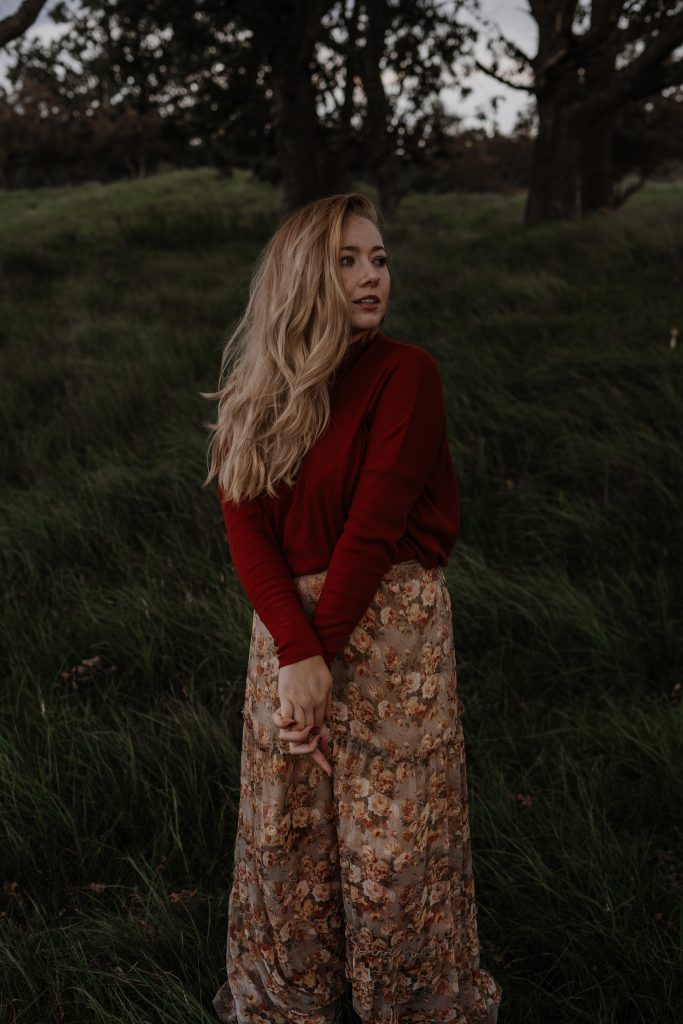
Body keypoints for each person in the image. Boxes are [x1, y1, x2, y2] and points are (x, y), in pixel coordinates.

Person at [203, 192, 502, 1024]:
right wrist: (296, 656)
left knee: (394, 843)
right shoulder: (251, 390)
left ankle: (406, 1003)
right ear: (304, 274)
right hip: (288, 637)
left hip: (389, 630)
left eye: (379, 259)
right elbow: (248, 531)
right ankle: (295, 1001)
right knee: (286, 838)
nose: (373, 275)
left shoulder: (406, 372)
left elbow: (373, 526)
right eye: (349, 259)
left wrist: (318, 653)